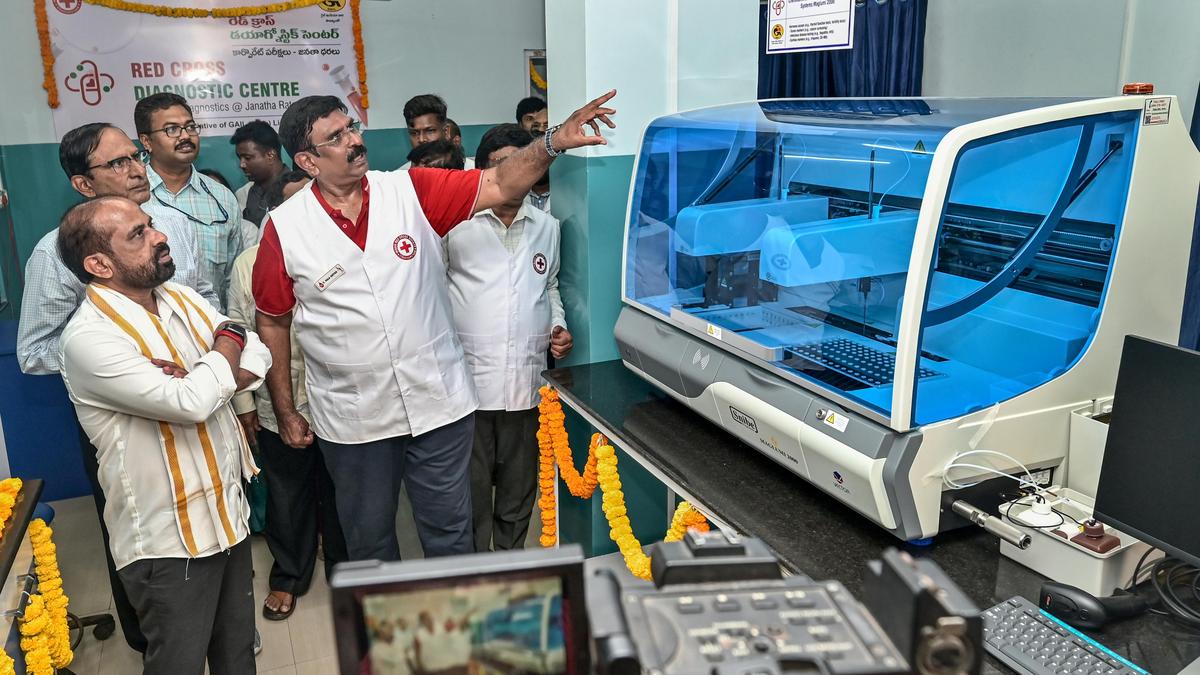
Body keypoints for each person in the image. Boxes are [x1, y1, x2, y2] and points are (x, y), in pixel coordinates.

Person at [252, 90, 616, 563]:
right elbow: (273, 321)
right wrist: (284, 408)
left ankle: (456, 628)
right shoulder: (284, 228)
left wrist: (551, 143)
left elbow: (499, 184)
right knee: (369, 539)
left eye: (352, 128)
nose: (354, 141)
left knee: (450, 532)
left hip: (438, 404)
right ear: (308, 160)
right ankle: (388, 631)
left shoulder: (410, 190)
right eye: (336, 137)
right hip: (355, 417)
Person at [16, 122, 223, 654]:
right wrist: (117, 366)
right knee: (138, 527)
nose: (136, 169)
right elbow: (34, 349)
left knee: (212, 513)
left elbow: (204, 311)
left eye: (135, 156)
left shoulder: (170, 226)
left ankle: (217, 627)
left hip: (198, 397)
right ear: (84, 185)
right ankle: (151, 638)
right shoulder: (51, 254)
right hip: (122, 416)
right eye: (117, 163)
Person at [58, 195, 270, 673]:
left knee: (238, 657)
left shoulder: (181, 296)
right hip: (166, 544)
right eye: (138, 234)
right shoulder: (89, 338)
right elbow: (192, 403)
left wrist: (207, 370)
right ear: (99, 264)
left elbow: (253, 347)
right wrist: (219, 359)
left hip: (227, 518)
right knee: (178, 663)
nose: (160, 236)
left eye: (150, 224)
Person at [227, 169, 348, 621]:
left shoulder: (348, 251)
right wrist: (244, 406)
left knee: (344, 491)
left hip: (342, 398)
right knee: (286, 493)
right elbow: (240, 330)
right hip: (276, 399)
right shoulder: (250, 261)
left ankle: (346, 571)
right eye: (295, 203)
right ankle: (290, 575)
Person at [446, 125, 571, 552]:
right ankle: (477, 561)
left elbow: (549, 285)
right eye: (502, 165)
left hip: (527, 382)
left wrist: (557, 324)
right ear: (482, 171)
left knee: (520, 484)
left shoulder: (547, 227)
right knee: (473, 486)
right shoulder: (454, 225)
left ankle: (510, 556)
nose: (515, 174)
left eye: (523, 163)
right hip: (468, 386)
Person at [137, 92, 244, 308]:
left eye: (190, 127)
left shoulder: (222, 197)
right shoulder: (131, 195)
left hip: (213, 329)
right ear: (146, 141)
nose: (185, 136)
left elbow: (235, 277)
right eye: (172, 129)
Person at [231, 120, 287, 227]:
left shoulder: (298, 189)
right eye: (240, 158)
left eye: (247, 158)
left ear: (270, 155)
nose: (241, 164)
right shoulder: (244, 194)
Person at [401, 94, 475, 169]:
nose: (421, 139)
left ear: (446, 131)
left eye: (430, 131)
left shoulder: (473, 171)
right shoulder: (401, 175)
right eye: (414, 133)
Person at [515, 98, 551, 212]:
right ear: (520, 124)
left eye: (544, 121)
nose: (538, 127)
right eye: (530, 119)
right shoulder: (513, 153)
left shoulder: (556, 149)